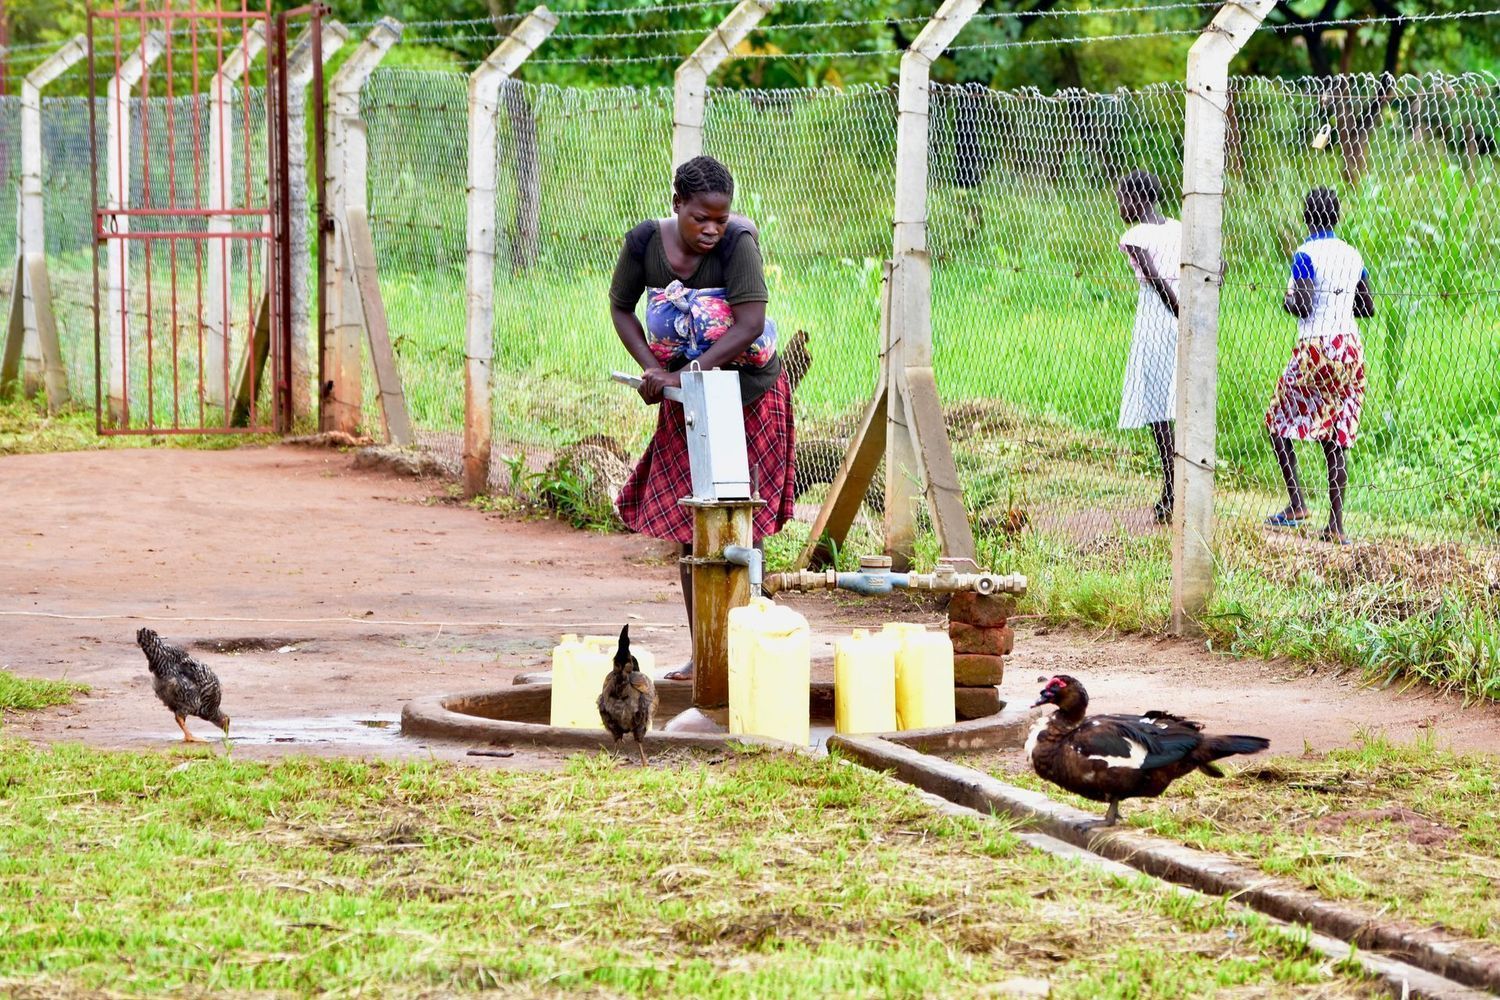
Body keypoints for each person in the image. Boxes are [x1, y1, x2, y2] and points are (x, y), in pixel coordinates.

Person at [608, 155, 796, 680]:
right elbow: (621, 306)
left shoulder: (739, 244)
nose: (712, 228)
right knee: (694, 528)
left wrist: (687, 371)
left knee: (742, 525)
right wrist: (651, 367)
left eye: (721, 217)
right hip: (687, 406)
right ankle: (706, 653)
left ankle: (747, 654)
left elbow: (750, 321)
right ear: (677, 205)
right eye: (701, 218)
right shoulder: (645, 243)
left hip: (748, 399)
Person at [1264, 186, 1374, 545]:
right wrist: (1341, 304)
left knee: (1277, 419)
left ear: (1306, 217)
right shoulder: (1353, 255)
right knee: (1335, 433)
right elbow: (1367, 307)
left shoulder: (1304, 253)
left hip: (1316, 347)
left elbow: (1304, 304)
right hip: (1350, 349)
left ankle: (1297, 502)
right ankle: (1336, 525)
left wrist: (1287, 299)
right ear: (1337, 218)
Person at [1115, 170, 1182, 524]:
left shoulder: (1135, 235)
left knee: (1158, 405)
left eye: (1121, 199)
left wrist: (1174, 306)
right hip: (1181, 307)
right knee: (1177, 397)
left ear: (1137, 198)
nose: (1119, 207)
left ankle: (1172, 489)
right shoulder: (1179, 227)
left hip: (1159, 314)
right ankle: (1175, 485)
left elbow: (1154, 276)